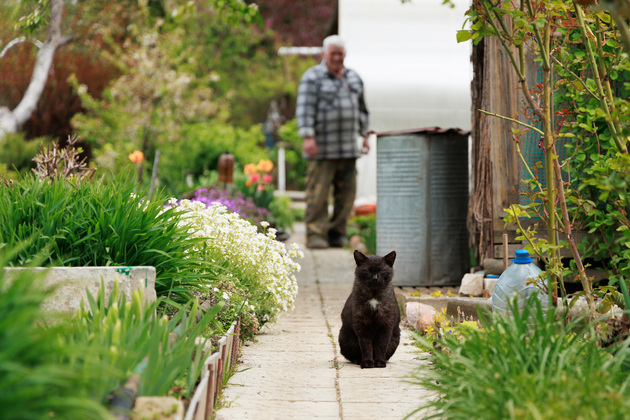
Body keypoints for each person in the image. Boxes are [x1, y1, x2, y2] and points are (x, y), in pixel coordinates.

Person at [296, 35, 370, 249]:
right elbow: (304, 109)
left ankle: (338, 234)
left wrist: (365, 135)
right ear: (324, 54)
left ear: (345, 54)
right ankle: (315, 235)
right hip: (321, 149)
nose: (337, 57)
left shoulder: (354, 77)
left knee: (346, 195)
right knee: (318, 194)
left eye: (340, 53)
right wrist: (308, 137)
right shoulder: (313, 77)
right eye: (333, 54)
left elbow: (362, 110)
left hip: (348, 148)